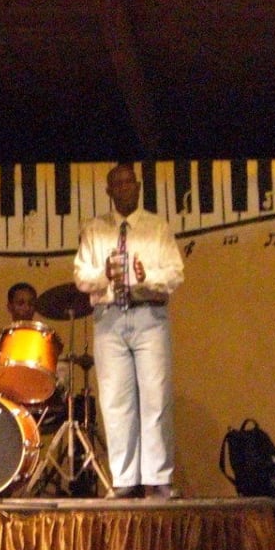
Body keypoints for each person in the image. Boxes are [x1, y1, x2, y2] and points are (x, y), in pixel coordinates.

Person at [73, 162, 184, 499]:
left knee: (155, 397)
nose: (124, 188)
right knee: (116, 400)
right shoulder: (95, 229)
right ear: (108, 191)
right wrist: (105, 274)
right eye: (116, 184)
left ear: (138, 187)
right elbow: (81, 276)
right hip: (109, 318)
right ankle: (124, 479)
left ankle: (157, 478)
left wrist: (145, 276)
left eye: (129, 183)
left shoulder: (157, 227)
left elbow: (175, 274)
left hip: (149, 315)